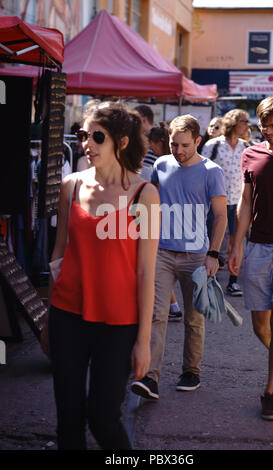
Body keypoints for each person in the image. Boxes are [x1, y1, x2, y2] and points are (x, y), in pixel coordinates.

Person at [40, 100, 160, 449]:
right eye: (83, 135)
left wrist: (143, 341)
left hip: (118, 323)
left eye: (97, 136)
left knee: (103, 416)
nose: (86, 144)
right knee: (69, 418)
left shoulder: (145, 194)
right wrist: (48, 317)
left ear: (121, 141)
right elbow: (58, 255)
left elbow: (146, 272)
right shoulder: (71, 186)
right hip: (67, 315)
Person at [131, 114, 227, 399]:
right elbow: (150, 205)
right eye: (174, 144)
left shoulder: (212, 171)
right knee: (155, 315)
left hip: (197, 256)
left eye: (185, 145)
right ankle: (150, 377)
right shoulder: (160, 165)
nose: (179, 150)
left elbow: (221, 217)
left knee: (194, 319)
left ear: (198, 140)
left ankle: (191, 371)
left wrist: (214, 255)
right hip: (160, 251)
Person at [228, 95, 273, 421]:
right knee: (260, 324)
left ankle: (271, 393)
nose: (268, 131)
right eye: (264, 125)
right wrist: (236, 244)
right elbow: (245, 202)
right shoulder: (250, 154)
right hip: (258, 246)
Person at [202, 109, 250, 297]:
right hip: (216, 201)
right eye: (243, 121)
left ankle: (233, 281)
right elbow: (202, 171)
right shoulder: (213, 145)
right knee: (213, 240)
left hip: (238, 202)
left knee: (237, 242)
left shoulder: (247, 147)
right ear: (233, 122)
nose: (247, 124)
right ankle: (207, 279)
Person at [148, 124, 183, 322]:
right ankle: (172, 306)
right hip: (162, 222)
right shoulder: (160, 164)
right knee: (158, 269)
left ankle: (171, 306)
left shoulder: (165, 163)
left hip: (168, 225)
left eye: (152, 143)